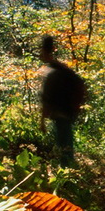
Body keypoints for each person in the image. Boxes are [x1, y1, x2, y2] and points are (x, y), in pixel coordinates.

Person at [39, 35, 86, 167]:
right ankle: (68, 169)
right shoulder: (62, 69)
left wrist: (42, 120)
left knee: (63, 143)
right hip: (67, 111)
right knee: (65, 142)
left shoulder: (52, 71)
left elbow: (46, 97)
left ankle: (67, 171)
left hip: (61, 112)